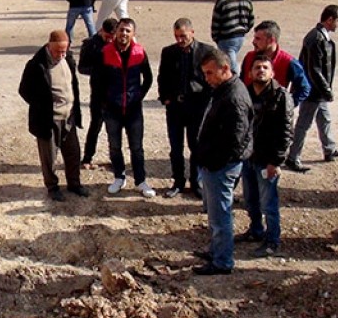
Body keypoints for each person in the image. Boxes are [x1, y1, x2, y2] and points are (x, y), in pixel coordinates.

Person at [192, 48, 253, 276]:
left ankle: (222, 261)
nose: (206, 79)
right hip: (213, 164)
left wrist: (212, 162)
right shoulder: (223, 89)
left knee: (221, 216)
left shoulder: (234, 97)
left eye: (209, 73)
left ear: (224, 69)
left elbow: (234, 142)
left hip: (221, 167)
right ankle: (216, 252)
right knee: (215, 215)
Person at [19, 30, 89, 202]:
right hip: (49, 121)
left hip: (69, 117)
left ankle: (74, 183)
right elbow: (24, 90)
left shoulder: (68, 59)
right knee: (49, 158)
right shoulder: (37, 65)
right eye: (58, 51)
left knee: (73, 153)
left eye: (64, 51)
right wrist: (43, 107)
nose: (61, 55)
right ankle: (52, 187)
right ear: (49, 46)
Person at [239, 56, 293, 257]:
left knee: (269, 203)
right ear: (250, 72)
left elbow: (286, 132)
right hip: (249, 157)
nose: (260, 70)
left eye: (265, 68)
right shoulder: (246, 93)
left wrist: (276, 161)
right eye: (257, 67)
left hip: (268, 159)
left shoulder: (281, 96)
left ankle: (272, 241)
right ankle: (255, 230)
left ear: (272, 73)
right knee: (250, 199)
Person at [286, 5, 338, 173]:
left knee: (324, 119)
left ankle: (329, 149)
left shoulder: (320, 36)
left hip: (317, 91)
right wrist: (326, 90)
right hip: (314, 91)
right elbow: (314, 69)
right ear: (330, 20)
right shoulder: (316, 38)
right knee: (303, 124)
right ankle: (293, 157)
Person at [99, 18, 155, 198]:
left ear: (133, 34)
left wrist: (138, 96)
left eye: (128, 31)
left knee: (136, 147)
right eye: (121, 30)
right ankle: (118, 176)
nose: (124, 34)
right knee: (115, 146)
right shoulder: (106, 52)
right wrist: (105, 101)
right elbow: (97, 80)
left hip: (133, 109)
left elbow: (148, 78)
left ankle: (140, 180)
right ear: (116, 31)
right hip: (112, 109)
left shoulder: (139, 53)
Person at [157, 18, 212, 199]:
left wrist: (207, 101)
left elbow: (212, 79)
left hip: (197, 107)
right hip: (175, 108)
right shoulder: (169, 52)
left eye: (183, 36)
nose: (180, 40)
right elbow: (162, 76)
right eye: (177, 36)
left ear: (192, 33)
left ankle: (196, 183)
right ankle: (178, 181)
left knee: (196, 146)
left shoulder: (207, 52)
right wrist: (165, 98)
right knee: (176, 146)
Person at [240, 20, 310, 106]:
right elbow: (241, 83)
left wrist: (288, 105)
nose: (253, 42)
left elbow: (304, 88)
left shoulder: (288, 61)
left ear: (271, 40)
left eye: (258, 39)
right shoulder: (249, 57)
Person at [78, 17, 116, 171]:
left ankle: (115, 159)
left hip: (115, 93)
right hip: (99, 93)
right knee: (95, 126)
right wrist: (100, 70)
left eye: (112, 37)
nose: (110, 40)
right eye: (108, 36)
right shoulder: (90, 44)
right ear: (101, 31)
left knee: (114, 128)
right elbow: (82, 68)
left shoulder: (118, 43)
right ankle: (87, 158)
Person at [210, 0, 254, 76]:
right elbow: (251, 20)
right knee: (231, 58)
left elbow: (216, 21)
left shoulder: (222, 1)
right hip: (240, 37)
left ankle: (237, 80)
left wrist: (215, 37)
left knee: (230, 64)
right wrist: (243, 30)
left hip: (226, 37)